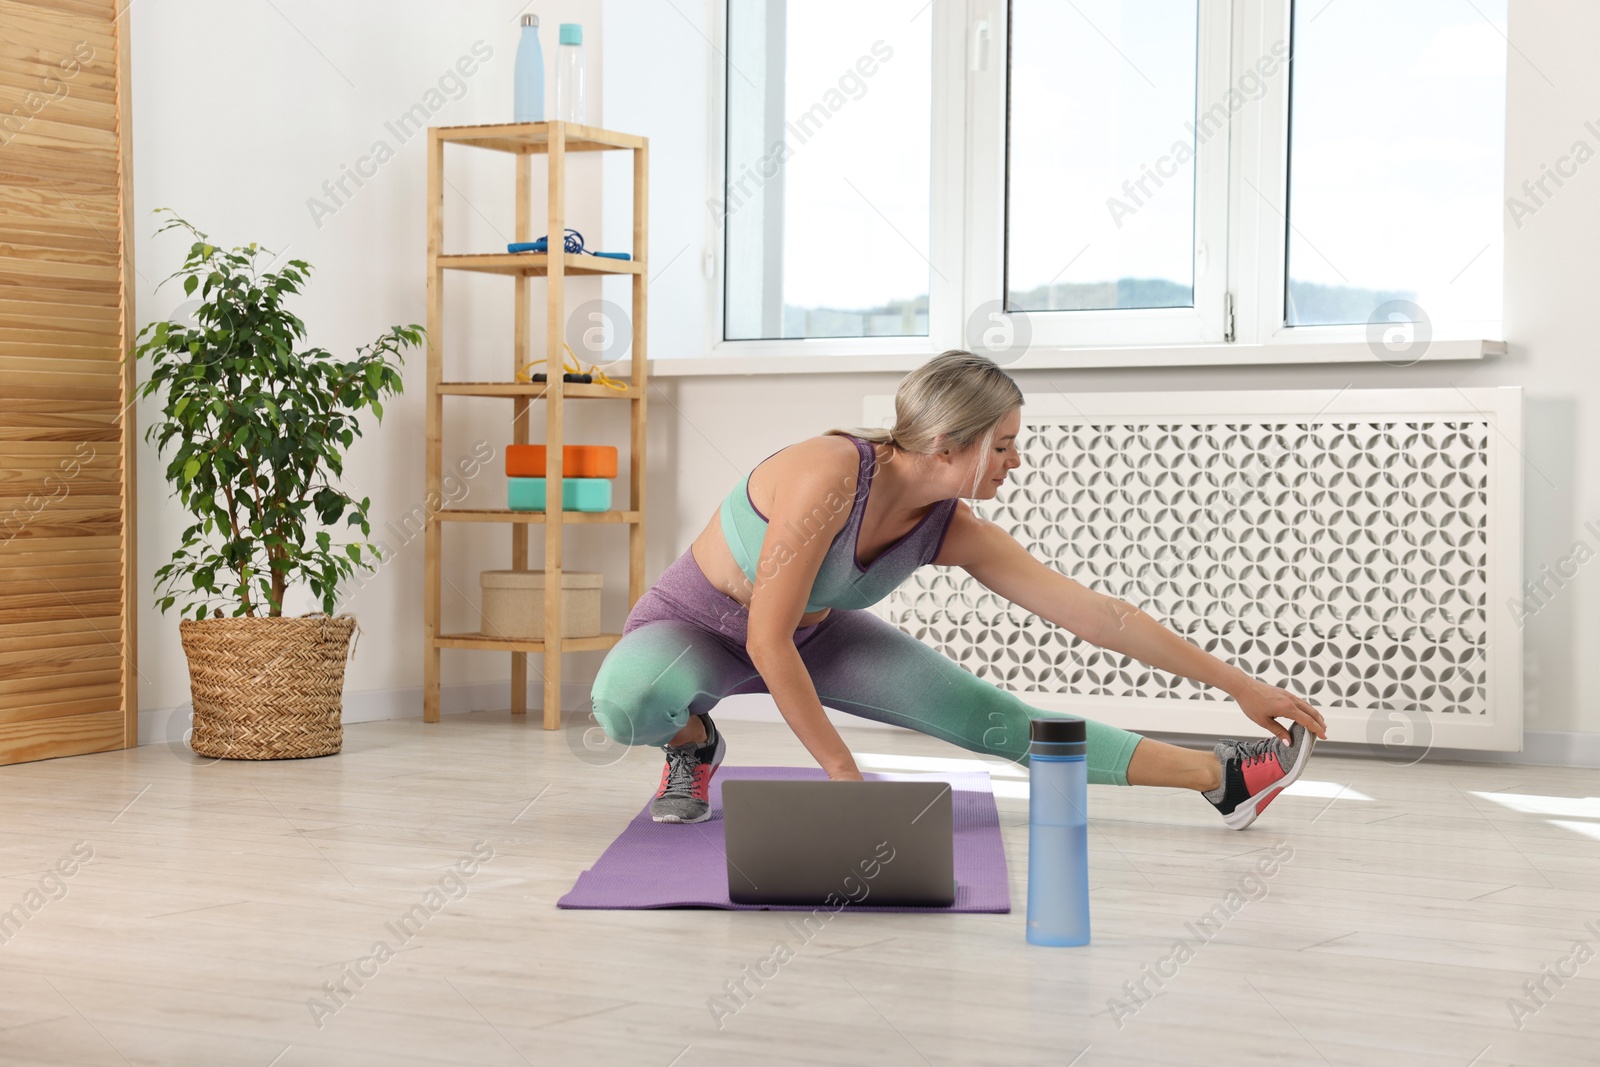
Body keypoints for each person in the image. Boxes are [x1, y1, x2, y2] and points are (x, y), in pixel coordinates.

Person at [588, 350, 1328, 830]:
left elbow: (1102, 618)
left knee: (995, 719)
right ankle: (692, 741)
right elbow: (761, 638)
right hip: (696, 627)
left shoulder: (953, 528)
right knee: (624, 702)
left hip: (816, 638)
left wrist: (1239, 683)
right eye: (1002, 445)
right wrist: (844, 773)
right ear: (947, 445)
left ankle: (1223, 776)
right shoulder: (826, 474)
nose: (1016, 461)